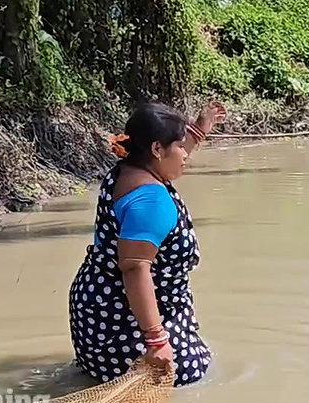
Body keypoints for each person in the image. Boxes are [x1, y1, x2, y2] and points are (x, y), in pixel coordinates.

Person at [68, 100, 226, 386]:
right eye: (180, 146)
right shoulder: (152, 200)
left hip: (97, 313)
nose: (185, 154)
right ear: (156, 149)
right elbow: (135, 268)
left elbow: (171, 157)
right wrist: (156, 339)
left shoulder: (127, 171)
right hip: (120, 321)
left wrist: (200, 129)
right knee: (196, 375)